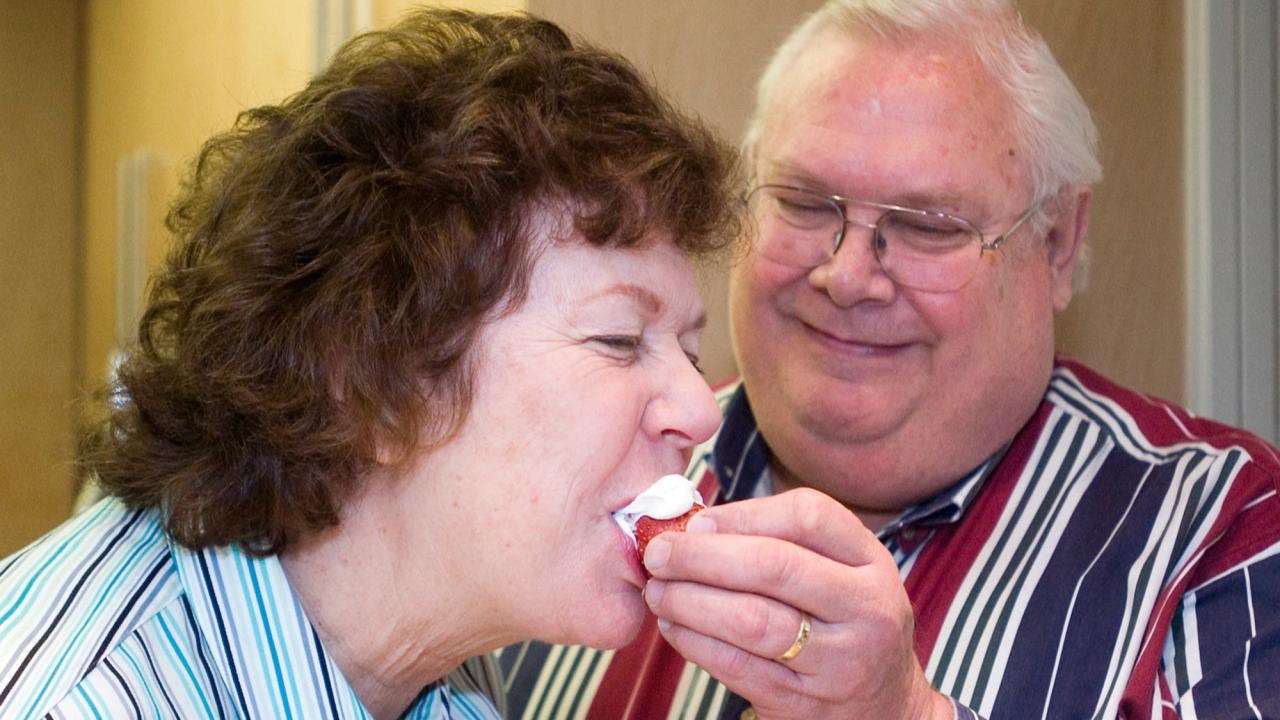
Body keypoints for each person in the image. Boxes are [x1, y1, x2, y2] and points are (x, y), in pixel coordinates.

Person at [500, 0, 1280, 718]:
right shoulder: (595, 465)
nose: (846, 277)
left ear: (1059, 242)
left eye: (927, 226)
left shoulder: (1229, 533)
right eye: (804, 203)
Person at [0, 8, 741, 719]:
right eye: (618, 339)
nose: (701, 405)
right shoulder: (84, 701)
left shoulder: (439, 665)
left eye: (689, 350)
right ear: (373, 388)